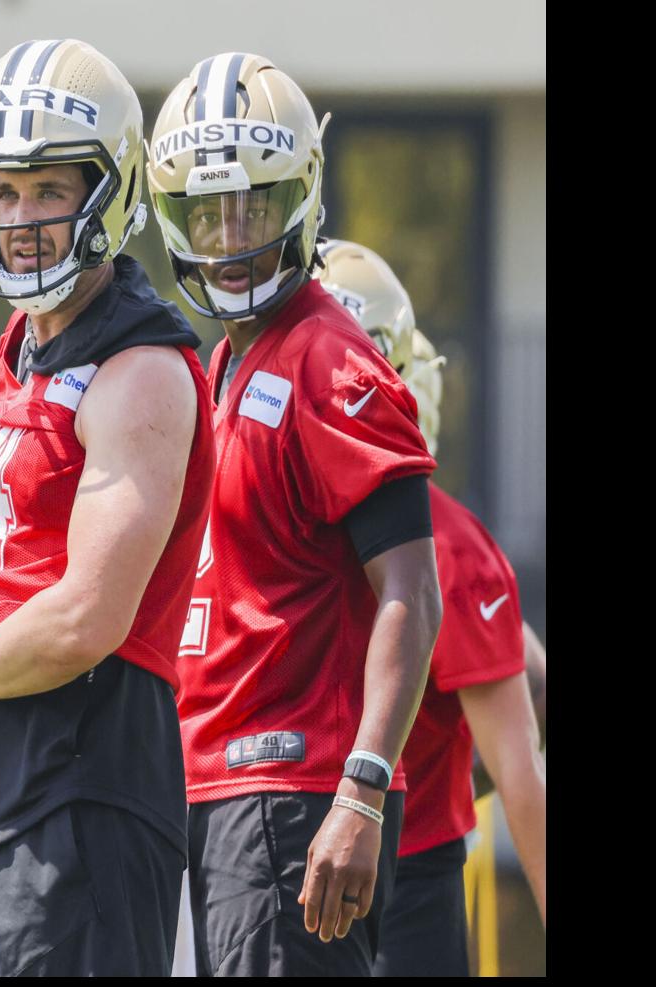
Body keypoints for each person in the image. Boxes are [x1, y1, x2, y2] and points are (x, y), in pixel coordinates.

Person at [0, 38, 215, 977]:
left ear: (110, 194)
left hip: (85, 783)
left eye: (50, 191)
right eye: (5, 191)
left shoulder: (141, 367)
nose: (20, 219)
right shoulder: (26, 342)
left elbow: (84, 618)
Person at [146, 54, 443, 977]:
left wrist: (358, 790)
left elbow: (411, 589)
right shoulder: (229, 360)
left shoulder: (329, 359)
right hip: (214, 784)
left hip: (293, 788)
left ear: (301, 202)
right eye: (208, 211)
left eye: (256, 209)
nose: (232, 236)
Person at [315, 240, 546, 975]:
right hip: (281, 852)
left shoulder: (449, 543)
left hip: (408, 875)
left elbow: (520, 772)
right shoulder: (259, 512)